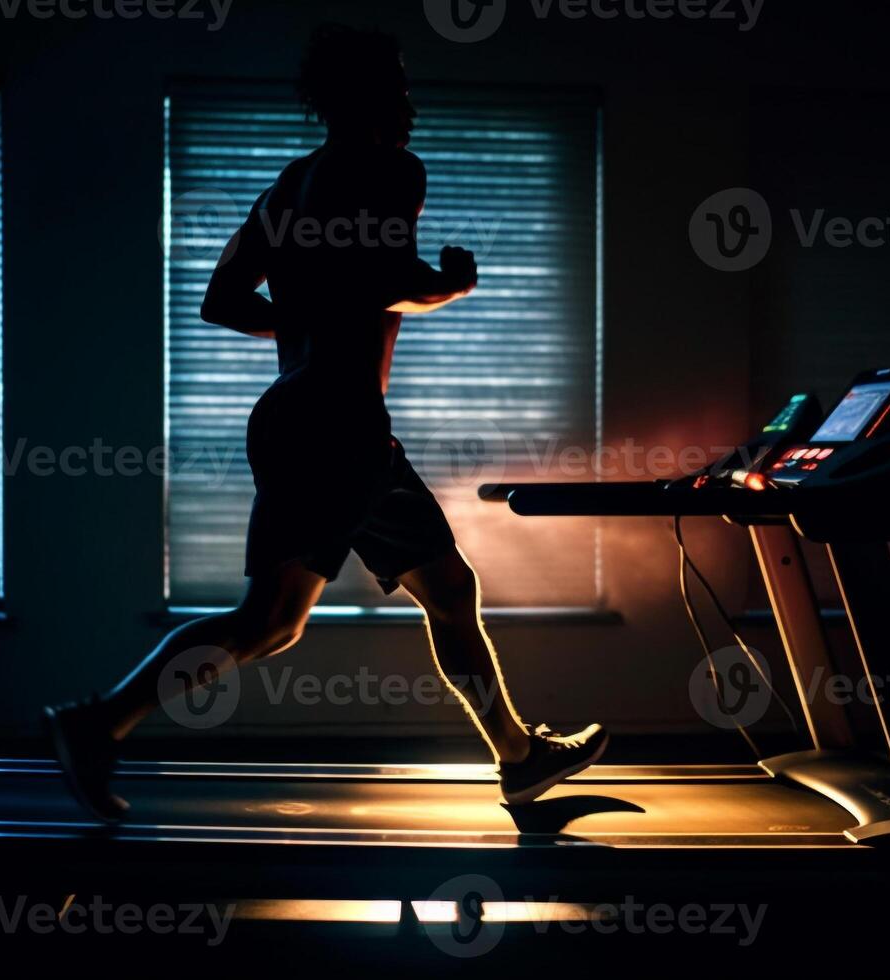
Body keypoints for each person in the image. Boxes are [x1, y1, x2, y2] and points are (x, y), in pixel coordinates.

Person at [44, 24, 607, 820]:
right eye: (399, 85)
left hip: (308, 415)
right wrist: (445, 286)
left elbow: (224, 299)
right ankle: (98, 723)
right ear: (375, 95)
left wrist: (309, 325)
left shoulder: (288, 185)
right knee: (269, 623)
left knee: (446, 589)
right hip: (335, 422)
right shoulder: (392, 168)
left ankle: (516, 757)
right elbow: (381, 276)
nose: (409, 101)